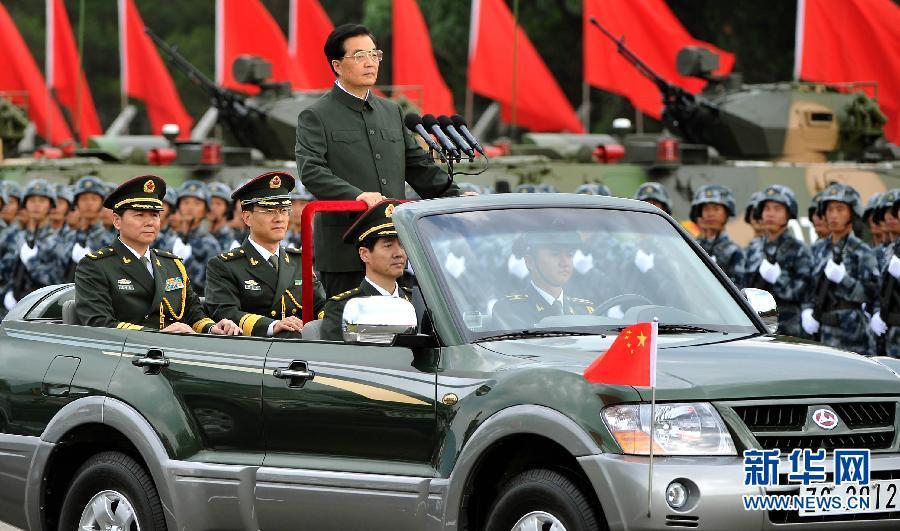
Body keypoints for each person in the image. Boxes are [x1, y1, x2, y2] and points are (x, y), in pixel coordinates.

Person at [295, 23, 459, 299]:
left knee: (400, 320)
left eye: (374, 54)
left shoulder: (391, 111)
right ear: (337, 65)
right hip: (345, 249)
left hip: (393, 244)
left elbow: (417, 166)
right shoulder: (317, 115)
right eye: (359, 55)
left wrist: (456, 196)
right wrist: (356, 195)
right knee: (349, 322)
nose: (370, 62)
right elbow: (311, 170)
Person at [74, 175, 238, 335]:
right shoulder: (95, 266)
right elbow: (99, 323)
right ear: (117, 221)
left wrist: (212, 327)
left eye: (154, 215)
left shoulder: (172, 264)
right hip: (127, 349)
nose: (149, 222)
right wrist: (158, 334)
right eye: (139, 215)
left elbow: (193, 311)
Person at [205, 171, 327, 337]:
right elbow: (224, 312)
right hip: (255, 346)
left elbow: (320, 304)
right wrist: (272, 325)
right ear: (247, 218)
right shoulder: (224, 266)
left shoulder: (299, 260)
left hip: (302, 343)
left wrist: (331, 320)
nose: (279, 218)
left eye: (284, 210)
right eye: (269, 211)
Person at [802, 183, 879, 354]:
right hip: (821, 331)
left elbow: (871, 294)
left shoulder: (862, 251)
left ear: (852, 213)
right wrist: (806, 310)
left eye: (840, 209)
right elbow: (807, 287)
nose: (833, 215)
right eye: (829, 209)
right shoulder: (817, 249)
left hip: (852, 334)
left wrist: (844, 280)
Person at [321, 200, 412, 341]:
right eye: (388, 245)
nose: (399, 253)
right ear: (364, 254)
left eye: (402, 245)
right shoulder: (343, 308)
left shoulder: (417, 301)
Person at [741, 185, 813, 337]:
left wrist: (778, 279)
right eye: (766, 208)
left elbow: (803, 293)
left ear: (788, 213)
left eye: (777, 209)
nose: (770, 213)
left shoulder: (799, 249)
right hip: (755, 326)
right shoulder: (753, 248)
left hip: (788, 328)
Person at [491, 229, 595, 330]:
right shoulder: (510, 311)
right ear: (530, 262)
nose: (565, 263)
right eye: (555, 254)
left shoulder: (585, 310)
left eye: (569, 254)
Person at [0, 180, 68, 312]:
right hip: (9, 308)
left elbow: (56, 282)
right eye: (32, 201)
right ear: (25, 205)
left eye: (42, 201)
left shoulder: (57, 242)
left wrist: (32, 262)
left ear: (50, 205)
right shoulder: (15, 237)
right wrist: (6, 293)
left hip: (42, 310)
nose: (36, 205)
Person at [167, 180, 222, 295]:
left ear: (205, 210)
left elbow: (208, 284)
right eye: (186, 202)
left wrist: (189, 262)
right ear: (178, 206)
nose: (190, 208)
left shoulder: (210, 245)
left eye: (197, 203)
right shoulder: (169, 241)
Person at [62, 176, 116, 281]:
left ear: (102, 203)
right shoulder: (69, 237)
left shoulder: (113, 240)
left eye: (94, 199)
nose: (89, 203)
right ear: (76, 203)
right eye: (84, 199)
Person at [690, 184, 743, 285]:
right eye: (706, 209)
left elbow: (738, 288)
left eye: (716, 209)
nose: (710, 214)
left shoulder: (733, 252)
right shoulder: (691, 246)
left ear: (726, 213)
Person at [207, 182, 239, 251]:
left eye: (218, 204)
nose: (212, 208)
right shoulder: (201, 235)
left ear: (227, 208)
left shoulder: (233, 238)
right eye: (210, 203)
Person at [283, 182, 313, 249]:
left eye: (302, 203)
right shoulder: (277, 237)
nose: (297, 209)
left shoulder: (321, 237)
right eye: (292, 203)